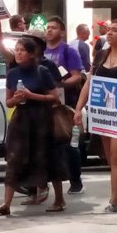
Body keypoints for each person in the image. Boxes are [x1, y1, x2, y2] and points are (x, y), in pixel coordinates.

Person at [0, 38, 66, 215]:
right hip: (21, 120)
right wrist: (16, 99)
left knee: (47, 158)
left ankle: (59, 199)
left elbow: (54, 97)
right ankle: (6, 204)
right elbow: (8, 102)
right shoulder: (12, 73)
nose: (18, 53)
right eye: (16, 50)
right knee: (14, 159)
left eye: (22, 50)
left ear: (32, 54)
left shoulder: (42, 71)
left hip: (41, 120)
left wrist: (32, 96)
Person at [74, 20, 117, 212]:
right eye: (108, 30)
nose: (109, 33)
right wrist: (78, 109)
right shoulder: (100, 55)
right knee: (111, 158)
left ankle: (114, 202)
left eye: (115, 31)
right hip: (104, 113)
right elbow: (89, 83)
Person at [44, 16, 85, 194]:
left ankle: (75, 180)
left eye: (53, 27)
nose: (49, 30)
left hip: (65, 104)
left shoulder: (68, 51)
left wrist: (61, 84)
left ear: (61, 31)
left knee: (69, 143)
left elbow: (77, 75)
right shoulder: (40, 51)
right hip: (45, 103)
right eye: (48, 27)